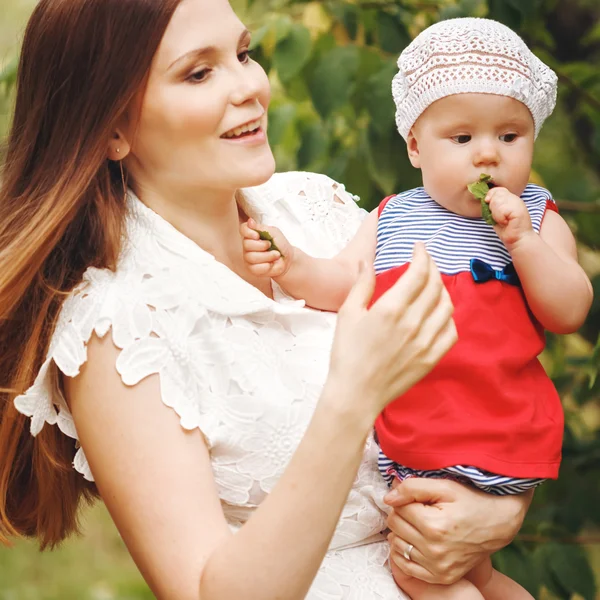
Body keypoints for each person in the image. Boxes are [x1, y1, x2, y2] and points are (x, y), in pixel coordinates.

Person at [0, 3, 536, 598]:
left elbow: (488, 362)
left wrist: (500, 509)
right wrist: (353, 394)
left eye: (244, 53)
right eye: (198, 73)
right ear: (113, 129)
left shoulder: (319, 211)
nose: (252, 86)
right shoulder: (118, 328)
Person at [240, 17, 593, 600]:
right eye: (462, 139)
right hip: (423, 435)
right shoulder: (395, 217)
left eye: (510, 137)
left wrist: (525, 244)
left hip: (502, 428)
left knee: (418, 570)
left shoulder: (536, 214)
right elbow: (345, 282)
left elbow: (570, 309)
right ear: (413, 146)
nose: (488, 156)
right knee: (470, 569)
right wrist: (292, 263)